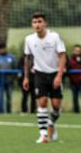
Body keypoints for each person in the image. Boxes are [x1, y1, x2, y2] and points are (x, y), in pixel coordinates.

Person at [22, 12, 66, 143]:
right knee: (42, 102)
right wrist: (26, 77)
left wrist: (59, 75)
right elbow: (27, 58)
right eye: (35, 22)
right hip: (39, 74)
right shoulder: (29, 39)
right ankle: (43, 135)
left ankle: (51, 122)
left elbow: (62, 56)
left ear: (45, 23)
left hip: (54, 73)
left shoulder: (54, 37)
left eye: (40, 22)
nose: (37, 25)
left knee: (56, 106)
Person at [0, 44, 16, 114]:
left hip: (9, 81)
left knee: (9, 98)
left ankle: (9, 112)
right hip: (0, 82)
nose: (2, 50)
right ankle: (1, 112)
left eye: (3, 48)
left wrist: (12, 79)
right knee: (0, 98)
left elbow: (15, 68)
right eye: (1, 49)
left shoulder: (11, 57)